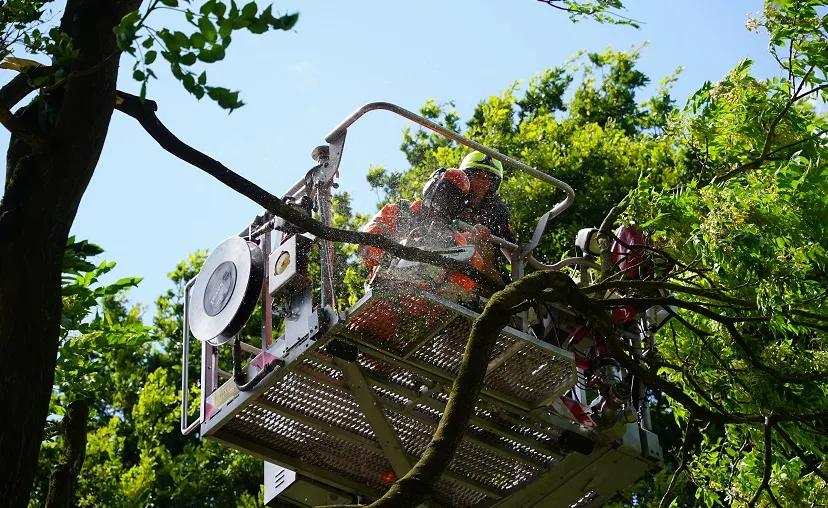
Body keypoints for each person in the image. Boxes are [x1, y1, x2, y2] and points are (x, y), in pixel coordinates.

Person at [357, 168, 490, 298]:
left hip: (429, 300)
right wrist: (389, 257)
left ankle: (449, 297)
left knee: (474, 258)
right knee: (412, 237)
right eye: (446, 194)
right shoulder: (399, 212)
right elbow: (366, 244)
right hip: (386, 290)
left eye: (454, 201)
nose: (447, 203)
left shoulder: (453, 237)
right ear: (433, 187)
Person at [458, 150, 517, 285]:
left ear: (493, 183)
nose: (482, 182)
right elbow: (438, 231)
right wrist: (470, 235)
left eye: (487, 178)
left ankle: (495, 295)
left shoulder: (497, 211)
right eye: (478, 176)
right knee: (480, 244)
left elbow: (512, 252)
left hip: (484, 276)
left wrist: (522, 253)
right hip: (451, 258)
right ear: (467, 176)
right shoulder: (453, 199)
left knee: (486, 246)